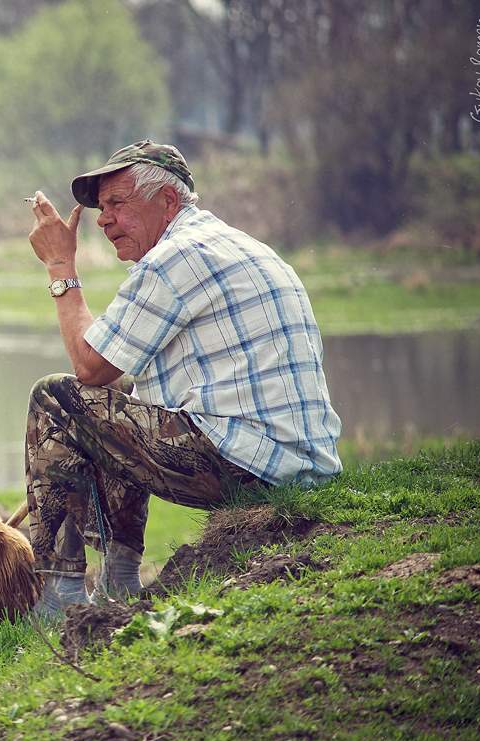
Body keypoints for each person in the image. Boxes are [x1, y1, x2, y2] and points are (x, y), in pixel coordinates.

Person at [25, 140, 341, 617]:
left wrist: (59, 267)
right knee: (107, 401)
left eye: (117, 204)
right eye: (101, 208)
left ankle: (60, 598)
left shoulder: (178, 256)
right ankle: (118, 578)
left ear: (167, 202)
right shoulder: (232, 244)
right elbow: (115, 382)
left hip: (249, 467)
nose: (103, 220)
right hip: (297, 467)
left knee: (56, 398)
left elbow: (89, 364)